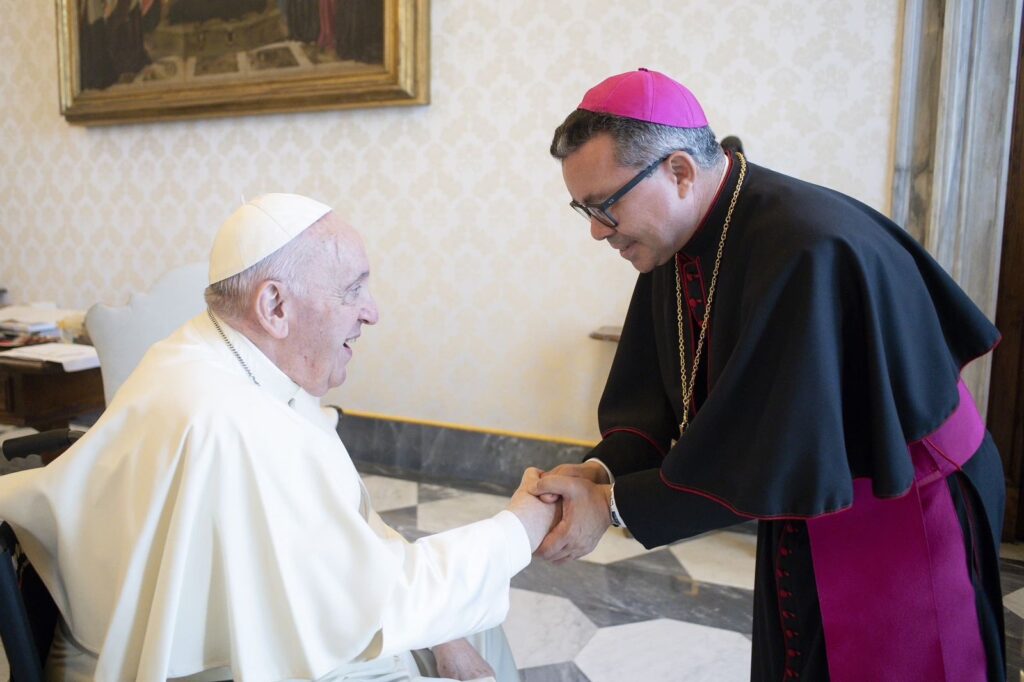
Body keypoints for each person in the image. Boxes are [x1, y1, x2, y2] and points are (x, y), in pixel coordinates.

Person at [533, 68, 1006, 681]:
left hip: (900, 500)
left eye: (605, 206)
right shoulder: (678, 235)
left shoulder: (806, 249)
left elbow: (766, 439)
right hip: (811, 490)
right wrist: (599, 471)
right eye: (584, 210)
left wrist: (613, 506)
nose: (598, 230)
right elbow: (657, 393)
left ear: (679, 172)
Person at [0, 194, 558, 681]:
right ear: (274, 306)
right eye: (353, 290)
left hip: (244, 636)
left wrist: (444, 629)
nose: (372, 312)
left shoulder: (219, 352)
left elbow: (350, 535)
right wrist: (523, 525)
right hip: (203, 669)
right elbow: (366, 605)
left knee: (472, 627)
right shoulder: (231, 421)